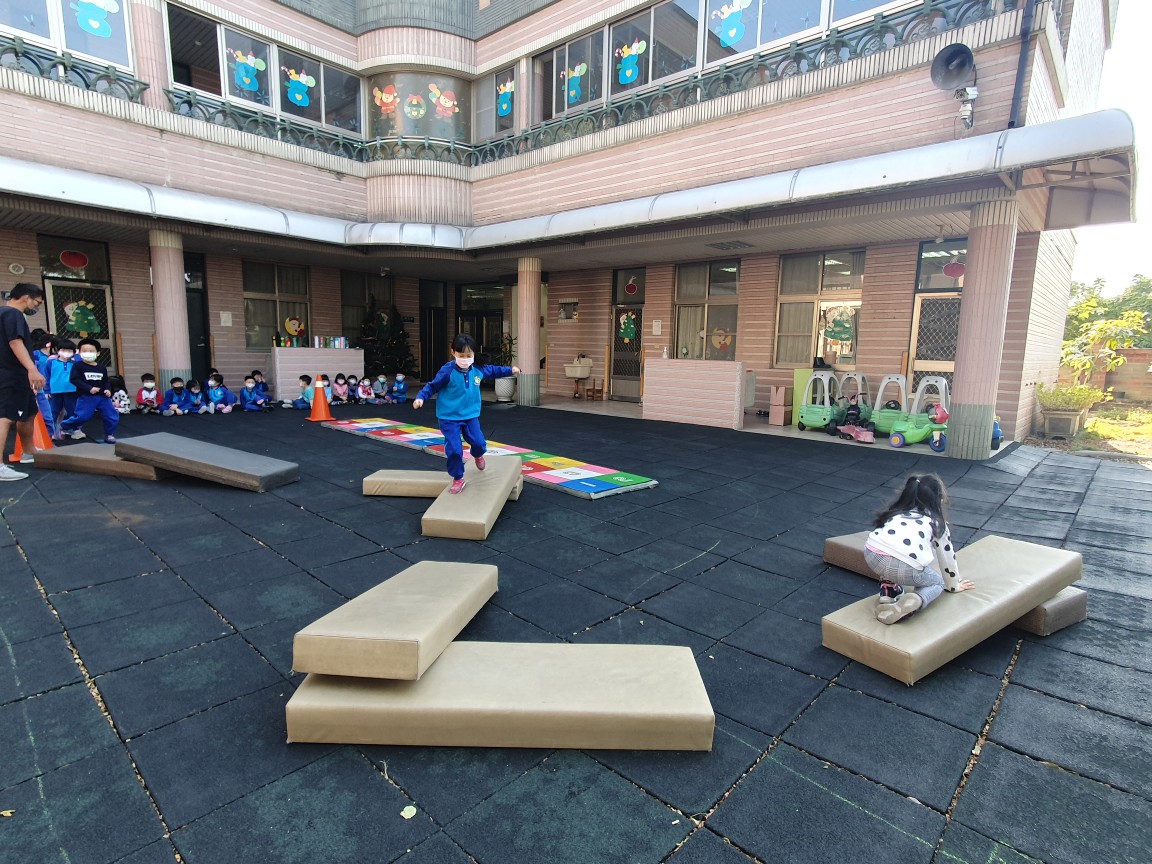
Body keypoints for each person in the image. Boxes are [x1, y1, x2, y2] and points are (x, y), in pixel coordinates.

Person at [412, 334, 519, 494]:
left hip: (470, 415)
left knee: (479, 443)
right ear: (453, 352)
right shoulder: (447, 370)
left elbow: (493, 370)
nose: (465, 359)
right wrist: (421, 397)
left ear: (474, 353)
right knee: (455, 450)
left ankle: (478, 455)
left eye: (469, 355)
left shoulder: (478, 368)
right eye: (461, 355)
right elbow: (433, 386)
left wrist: (510, 370)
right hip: (449, 417)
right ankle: (458, 478)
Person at [864, 473, 975, 624]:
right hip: (903, 566)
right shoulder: (936, 523)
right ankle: (915, 600)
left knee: (892, 551)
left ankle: (889, 591)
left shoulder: (896, 513)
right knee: (937, 582)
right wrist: (953, 585)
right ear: (938, 499)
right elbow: (947, 558)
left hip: (871, 554)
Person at [0, 283, 47, 480]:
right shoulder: (13, 314)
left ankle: (28, 451)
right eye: (37, 302)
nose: (36, 307)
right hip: (11, 373)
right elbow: (15, 342)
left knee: (28, 412)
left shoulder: (3, 314)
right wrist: (32, 369)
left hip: (15, 373)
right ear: (26, 298)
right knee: (5, 416)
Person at [59, 337, 119, 444]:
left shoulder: (101, 367)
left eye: (91, 351)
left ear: (98, 353)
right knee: (82, 416)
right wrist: (89, 388)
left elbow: (106, 381)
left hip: (103, 397)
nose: (88, 353)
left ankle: (109, 434)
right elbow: (74, 379)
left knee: (111, 415)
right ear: (79, 352)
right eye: (85, 351)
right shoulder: (78, 366)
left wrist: (108, 390)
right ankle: (63, 426)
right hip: (86, 396)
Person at [46, 338, 79, 439]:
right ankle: (51, 432)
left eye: (69, 350)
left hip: (72, 390)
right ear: (58, 350)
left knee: (73, 411)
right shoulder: (51, 362)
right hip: (55, 391)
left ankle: (74, 430)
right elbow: (47, 376)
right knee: (53, 411)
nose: (66, 353)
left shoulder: (75, 363)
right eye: (64, 350)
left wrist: (76, 355)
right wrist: (47, 390)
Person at [30, 329, 57, 437]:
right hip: (37, 390)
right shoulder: (36, 355)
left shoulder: (54, 357)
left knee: (48, 415)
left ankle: (49, 436)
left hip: (45, 388)